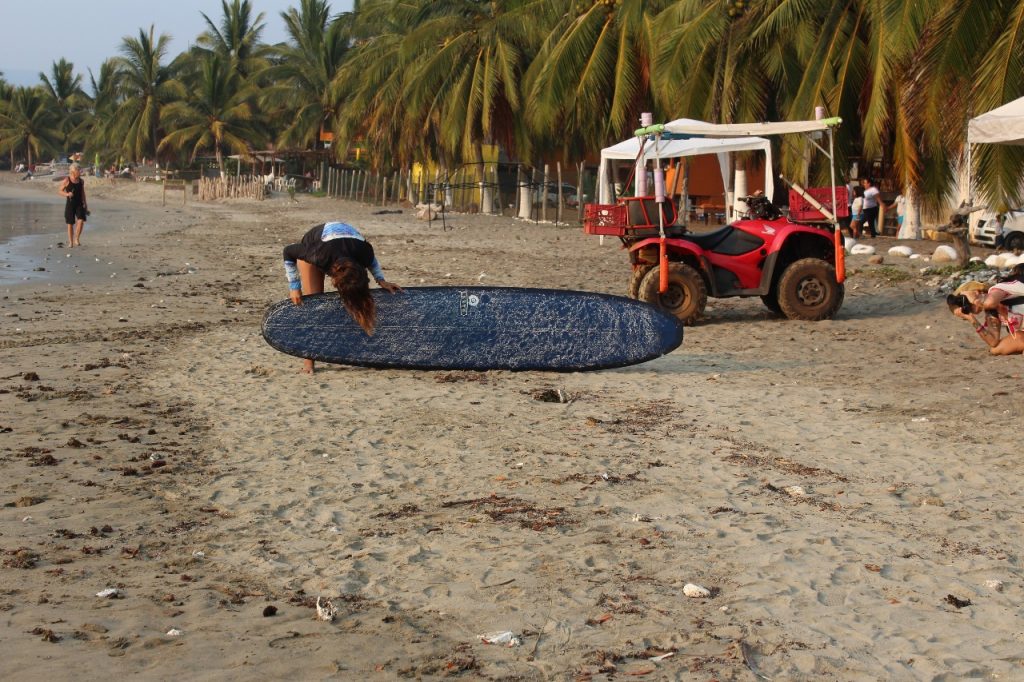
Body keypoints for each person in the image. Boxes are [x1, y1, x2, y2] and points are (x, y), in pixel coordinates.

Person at [282, 221, 403, 374]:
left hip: (350, 244)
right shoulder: (317, 255)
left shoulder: (365, 252)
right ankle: (309, 360)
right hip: (316, 242)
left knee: (359, 300)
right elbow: (288, 252)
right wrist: (294, 287)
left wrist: (381, 280)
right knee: (314, 302)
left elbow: (371, 261)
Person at [948, 265, 1024, 355]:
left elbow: (990, 302)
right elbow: (993, 342)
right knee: (995, 349)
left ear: (975, 292)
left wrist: (974, 300)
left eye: (966, 304)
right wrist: (971, 319)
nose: (967, 309)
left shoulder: (998, 289)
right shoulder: (991, 311)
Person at [59, 163, 88, 247]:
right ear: (73, 171)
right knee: (70, 223)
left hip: (79, 203)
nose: (80, 171)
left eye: (80, 170)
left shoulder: (81, 181)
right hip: (70, 204)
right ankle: (71, 242)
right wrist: (67, 194)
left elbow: (83, 193)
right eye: (78, 170)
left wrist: (85, 203)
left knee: (81, 221)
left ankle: (77, 238)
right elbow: (60, 191)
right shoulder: (67, 180)